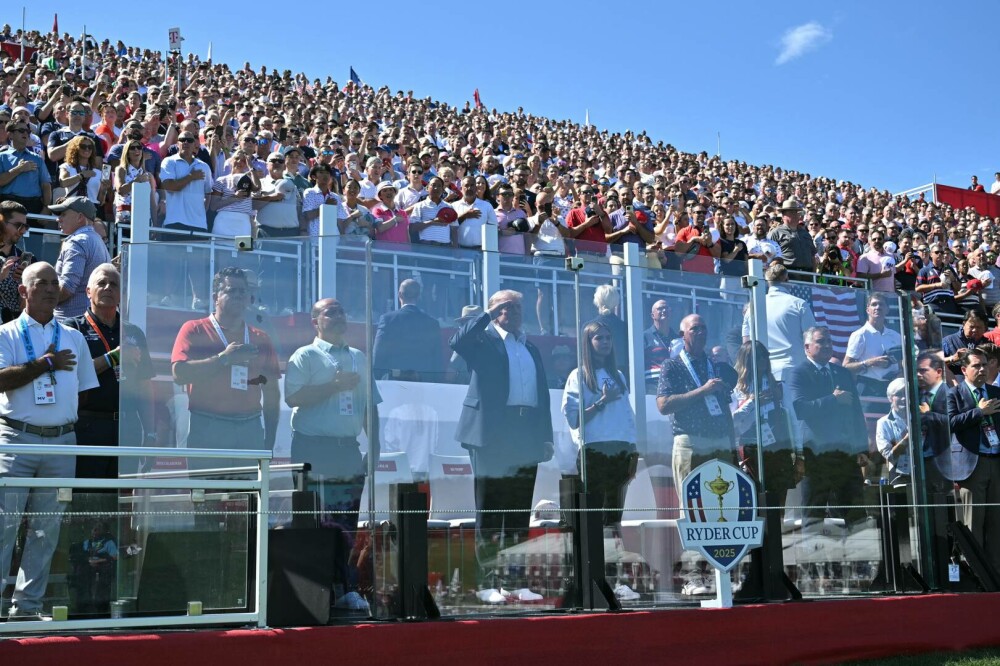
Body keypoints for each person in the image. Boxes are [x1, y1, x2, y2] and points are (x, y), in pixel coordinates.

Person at [0, 262, 99, 620]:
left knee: (46, 529)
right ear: (23, 292)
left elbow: (84, 393)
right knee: (4, 525)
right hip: (16, 440)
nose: (49, 288)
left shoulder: (73, 336)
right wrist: (45, 365)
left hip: (61, 442)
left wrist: (58, 415)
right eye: (40, 283)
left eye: (54, 282)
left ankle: (26, 607)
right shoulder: (6, 334)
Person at [450, 290, 553, 589]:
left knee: (519, 511)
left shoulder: (530, 347)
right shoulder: (483, 341)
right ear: (494, 311)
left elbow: (541, 396)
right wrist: (486, 316)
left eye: (518, 307)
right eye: (507, 307)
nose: (514, 312)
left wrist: (545, 437)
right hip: (492, 433)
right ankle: (488, 581)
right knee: (492, 509)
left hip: (526, 432)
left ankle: (514, 579)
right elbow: (458, 341)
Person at [284, 297, 379, 613]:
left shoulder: (359, 358)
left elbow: (369, 406)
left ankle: (344, 589)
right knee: (313, 522)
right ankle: (311, 589)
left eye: (341, 311)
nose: (338, 317)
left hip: (347, 451)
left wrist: (375, 447)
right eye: (330, 312)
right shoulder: (305, 356)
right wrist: (334, 385)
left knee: (346, 522)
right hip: (312, 449)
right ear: (315, 322)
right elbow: (293, 396)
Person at [171, 267, 281, 469]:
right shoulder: (195, 329)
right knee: (207, 495)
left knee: (248, 497)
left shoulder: (261, 338)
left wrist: (270, 439)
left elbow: (272, 392)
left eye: (243, 292)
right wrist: (224, 359)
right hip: (208, 425)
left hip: (250, 428)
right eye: (231, 290)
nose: (238, 296)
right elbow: (179, 374)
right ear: (215, 297)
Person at [64, 264, 155, 479]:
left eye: (113, 284)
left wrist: (150, 433)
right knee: (87, 498)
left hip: (127, 427)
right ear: (88, 292)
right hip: (88, 425)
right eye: (101, 283)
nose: (107, 288)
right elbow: (72, 376)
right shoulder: (72, 328)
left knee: (120, 501)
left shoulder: (133, 332)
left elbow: (145, 386)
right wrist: (112, 357)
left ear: (121, 294)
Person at [561, 321, 638, 537]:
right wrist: (602, 400)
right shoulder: (578, 375)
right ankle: (594, 564)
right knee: (594, 517)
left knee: (614, 515)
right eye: (598, 338)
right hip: (595, 451)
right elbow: (574, 419)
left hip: (621, 450)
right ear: (588, 342)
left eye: (608, 337)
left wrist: (633, 450)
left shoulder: (619, 376)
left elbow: (627, 417)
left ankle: (611, 564)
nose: (605, 342)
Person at [785, 326, 868, 523]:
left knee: (855, 514)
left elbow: (856, 412)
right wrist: (833, 399)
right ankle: (814, 553)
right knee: (814, 512)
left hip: (845, 452)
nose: (827, 345)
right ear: (807, 347)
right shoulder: (798, 373)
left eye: (829, 341)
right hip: (817, 454)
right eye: (821, 341)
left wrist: (862, 448)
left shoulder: (843, 373)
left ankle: (859, 553)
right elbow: (800, 409)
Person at [656, 313, 737, 501]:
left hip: (720, 441)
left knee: (722, 505)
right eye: (694, 328)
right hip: (691, 441)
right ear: (682, 334)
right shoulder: (672, 366)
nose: (700, 332)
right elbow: (663, 405)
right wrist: (703, 391)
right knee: (692, 506)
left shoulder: (717, 366)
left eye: (703, 328)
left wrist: (731, 444)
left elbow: (725, 407)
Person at [947, 348, 1000, 572]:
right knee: (973, 522)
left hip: (995, 462)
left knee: (996, 522)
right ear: (964, 369)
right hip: (972, 465)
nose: (981, 369)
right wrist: (979, 412)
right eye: (976, 365)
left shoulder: (996, 392)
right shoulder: (953, 394)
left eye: (985, 365)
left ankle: (996, 572)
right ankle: (975, 572)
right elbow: (948, 423)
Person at [731, 341, 797, 501]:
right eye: (756, 356)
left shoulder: (779, 387)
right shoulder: (736, 389)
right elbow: (733, 421)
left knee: (779, 496)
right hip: (751, 448)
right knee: (753, 495)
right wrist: (752, 402)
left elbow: (793, 421)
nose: (762, 360)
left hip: (779, 446)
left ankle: (777, 525)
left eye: (764, 356)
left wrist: (799, 452)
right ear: (746, 360)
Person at [742, 263, 816, 382]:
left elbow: (746, 344)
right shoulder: (798, 304)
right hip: (793, 369)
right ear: (785, 278)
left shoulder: (752, 306)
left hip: (761, 372)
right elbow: (812, 340)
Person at [49, 196, 112, 320]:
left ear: (80, 217)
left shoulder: (76, 242)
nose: (58, 219)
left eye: (63, 214)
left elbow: (67, 288)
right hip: (88, 320)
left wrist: (41, 302)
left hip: (70, 323)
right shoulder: (97, 240)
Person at [372, 278, 443, 381]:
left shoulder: (387, 320)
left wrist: (376, 380)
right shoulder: (433, 323)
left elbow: (378, 354)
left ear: (400, 295)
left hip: (393, 382)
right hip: (423, 384)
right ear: (419, 296)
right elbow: (437, 361)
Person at [843, 293, 903, 397]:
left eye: (881, 304)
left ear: (887, 309)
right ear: (867, 310)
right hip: (868, 387)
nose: (878, 307)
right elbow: (846, 367)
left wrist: (900, 374)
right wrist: (869, 362)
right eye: (874, 304)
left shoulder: (896, 336)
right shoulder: (860, 335)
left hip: (892, 389)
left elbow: (902, 364)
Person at [159, 129, 213, 233]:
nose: (186, 142)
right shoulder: (169, 162)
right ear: (177, 143)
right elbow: (170, 188)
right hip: (174, 222)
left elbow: (209, 193)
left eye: (189, 140)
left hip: (199, 224)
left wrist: (201, 213)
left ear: (195, 144)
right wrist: (191, 177)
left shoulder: (204, 166)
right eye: (182, 139)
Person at [915, 351, 952, 497]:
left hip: (943, 458)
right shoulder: (920, 394)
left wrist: (928, 415)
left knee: (943, 504)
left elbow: (954, 422)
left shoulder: (949, 393)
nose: (918, 374)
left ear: (938, 372)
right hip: (925, 457)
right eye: (917, 371)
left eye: (923, 370)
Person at [0, 119, 51, 215]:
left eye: (27, 131)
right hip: (8, 205)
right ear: (10, 135)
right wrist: (19, 169)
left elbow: (46, 185)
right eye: (21, 130)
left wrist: (46, 208)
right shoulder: (2, 157)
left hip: (33, 205)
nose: (25, 133)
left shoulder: (37, 158)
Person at [587, 284, 629, 382]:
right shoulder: (626, 328)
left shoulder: (587, 327)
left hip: (593, 376)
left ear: (597, 301)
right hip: (620, 376)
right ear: (616, 302)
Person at [875, 378, 911, 484]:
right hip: (898, 475)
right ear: (890, 398)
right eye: (899, 394)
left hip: (923, 472)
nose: (904, 398)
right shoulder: (883, 423)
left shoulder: (921, 418)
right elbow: (889, 455)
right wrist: (906, 439)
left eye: (906, 393)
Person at [0, 201, 30, 322]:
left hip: (14, 329)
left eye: (25, 227)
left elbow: (25, 308)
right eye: (18, 225)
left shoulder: (27, 260)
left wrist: (26, 283)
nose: (22, 231)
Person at [767, 199, 815, 273]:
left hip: (808, 273)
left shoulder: (805, 233)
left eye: (796, 212)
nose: (795, 215)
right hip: (787, 273)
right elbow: (770, 255)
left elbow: (812, 255)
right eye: (791, 212)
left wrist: (814, 274)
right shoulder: (776, 233)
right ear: (783, 216)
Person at [643, 299, 680, 389]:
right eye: (660, 308)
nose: (664, 310)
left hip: (675, 387)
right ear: (652, 315)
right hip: (652, 388)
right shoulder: (644, 337)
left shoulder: (678, 339)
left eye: (666, 308)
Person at [915, 243, 960, 317]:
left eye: (941, 252)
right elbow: (917, 288)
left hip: (949, 305)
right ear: (931, 254)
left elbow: (958, 288)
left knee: (949, 326)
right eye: (937, 252)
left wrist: (953, 279)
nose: (939, 254)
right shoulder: (924, 270)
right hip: (933, 304)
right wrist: (937, 285)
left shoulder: (949, 269)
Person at [942, 310, 988, 377]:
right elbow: (934, 363)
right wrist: (952, 358)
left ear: (985, 328)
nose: (974, 330)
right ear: (963, 324)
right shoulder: (949, 341)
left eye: (978, 327)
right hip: (956, 384)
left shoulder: (988, 344)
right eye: (971, 327)